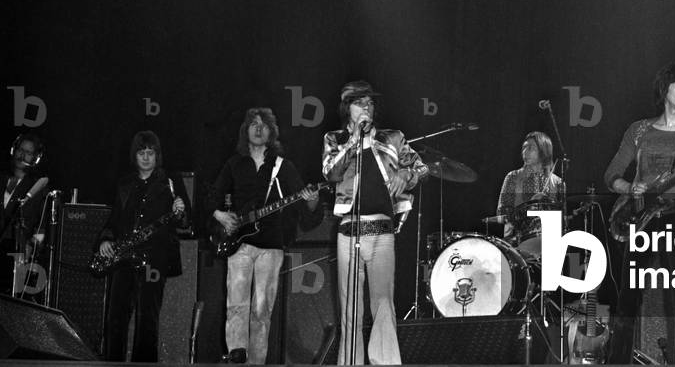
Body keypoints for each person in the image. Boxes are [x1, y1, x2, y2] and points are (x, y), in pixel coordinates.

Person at [603, 62, 675, 364]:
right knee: (628, 297)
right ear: (664, 90)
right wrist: (630, 187)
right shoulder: (639, 130)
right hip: (642, 217)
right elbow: (611, 174)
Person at [322, 81, 428, 365]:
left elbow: (422, 166)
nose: (366, 107)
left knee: (383, 303)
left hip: (382, 231)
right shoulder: (335, 139)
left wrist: (406, 177)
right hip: (349, 232)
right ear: (348, 109)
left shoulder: (392, 138)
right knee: (350, 309)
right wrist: (355, 141)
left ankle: (386, 362)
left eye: (369, 103)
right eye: (359, 103)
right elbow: (331, 174)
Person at [211, 108, 321, 364]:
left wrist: (313, 201)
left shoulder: (284, 167)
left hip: (271, 246)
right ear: (245, 130)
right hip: (239, 245)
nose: (258, 128)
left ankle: (257, 361)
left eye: (263, 125)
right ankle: (236, 354)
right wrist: (220, 215)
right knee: (236, 303)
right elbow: (212, 196)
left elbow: (306, 211)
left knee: (262, 309)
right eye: (253, 124)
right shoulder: (234, 164)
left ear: (272, 132)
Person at [98, 131, 189, 362]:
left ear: (157, 155)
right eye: (141, 153)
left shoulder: (171, 180)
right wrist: (105, 240)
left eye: (151, 153)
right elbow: (114, 219)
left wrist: (181, 210)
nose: (146, 158)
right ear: (134, 155)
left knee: (147, 317)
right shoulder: (124, 183)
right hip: (124, 255)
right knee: (115, 316)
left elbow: (186, 223)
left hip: (155, 256)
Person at [496, 131, 565, 256]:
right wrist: (529, 206)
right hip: (516, 246)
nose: (525, 151)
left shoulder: (558, 183)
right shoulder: (512, 177)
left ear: (543, 151)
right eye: (524, 147)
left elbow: (562, 220)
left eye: (531, 148)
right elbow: (501, 214)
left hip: (549, 247)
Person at [0, 133, 48, 298]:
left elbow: (41, 227)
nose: (22, 155)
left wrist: (32, 246)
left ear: (35, 158)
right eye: (21, 150)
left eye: (28, 152)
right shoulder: (3, 179)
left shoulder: (38, 188)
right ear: (14, 150)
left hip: (17, 253)